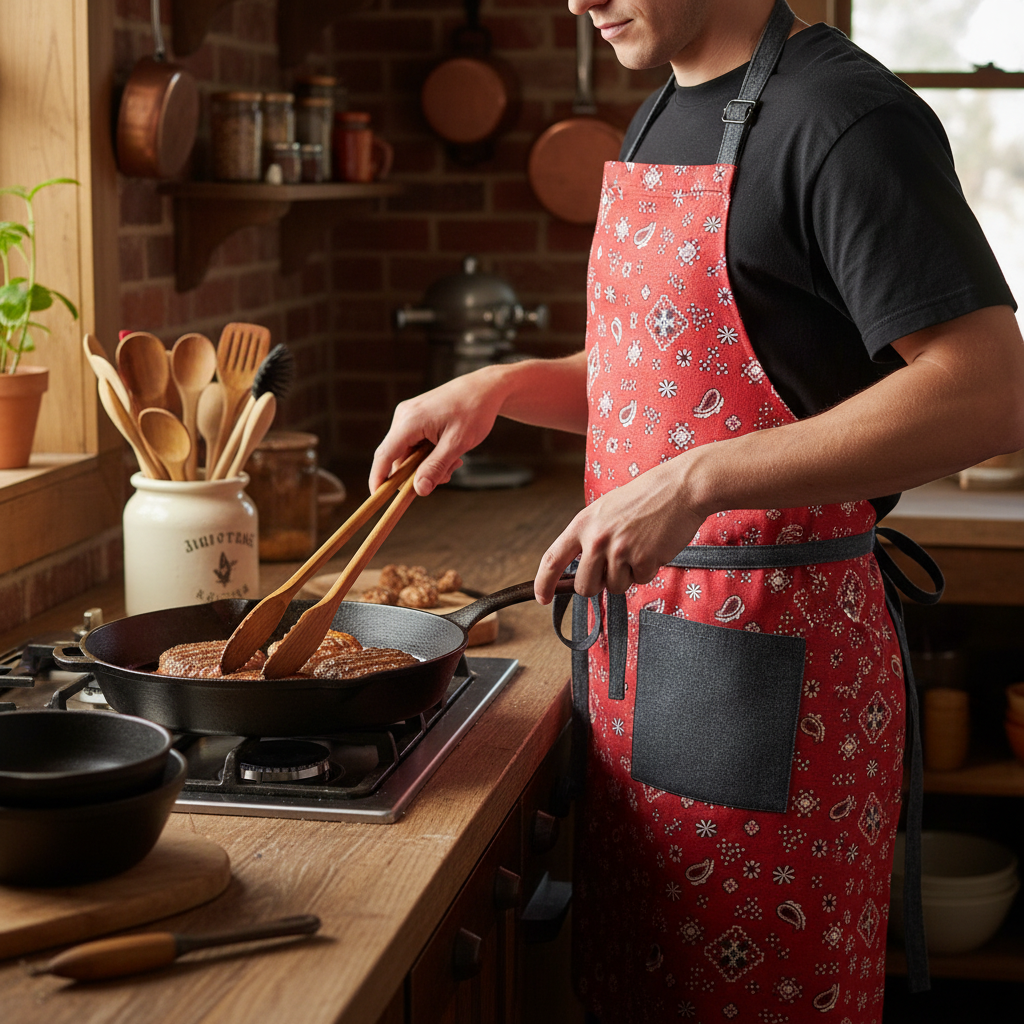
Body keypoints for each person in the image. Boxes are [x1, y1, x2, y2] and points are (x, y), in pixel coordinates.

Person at [371, 1, 1024, 1020]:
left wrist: (697, 481)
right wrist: (502, 385)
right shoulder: (665, 109)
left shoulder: (843, 117)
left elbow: (986, 389)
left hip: (781, 677)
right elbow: (671, 363)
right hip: (644, 672)